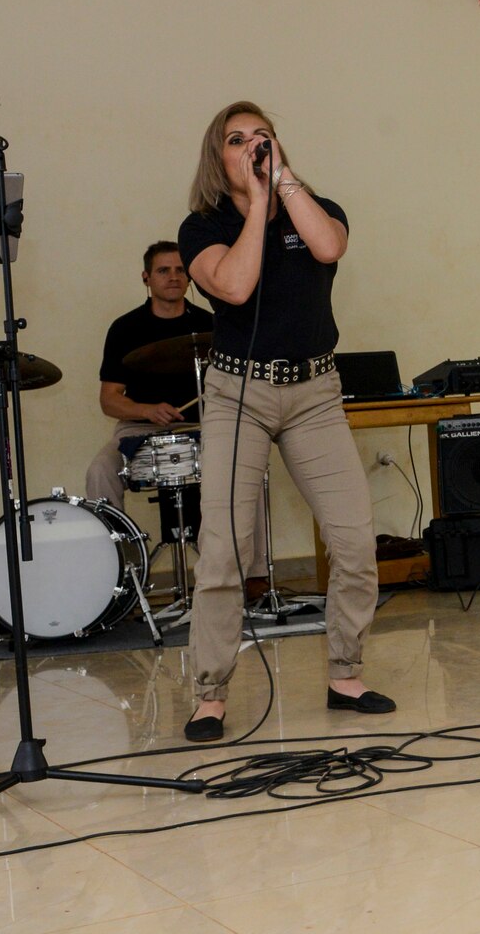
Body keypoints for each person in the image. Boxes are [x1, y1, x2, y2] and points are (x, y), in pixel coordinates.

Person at [176, 101, 389, 742]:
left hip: (315, 391)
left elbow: (331, 245)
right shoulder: (201, 227)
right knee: (224, 550)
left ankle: (345, 673)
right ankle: (209, 694)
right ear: (219, 157)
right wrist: (258, 210)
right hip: (239, 391)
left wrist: (283, 184)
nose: (251, 147)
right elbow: (236, 288)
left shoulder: (313, 207)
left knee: (354, 541)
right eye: (236, 140)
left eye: (262, 138)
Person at [83, 241, 211, 513]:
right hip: (138, 431)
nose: (173, 277)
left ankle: (244, 557)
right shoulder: (125, 329)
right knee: (100, 472)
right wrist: (147, 410)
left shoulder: (210, 325)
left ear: (189, 277)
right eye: (163, 270)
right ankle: (119, 553)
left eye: (180, 270)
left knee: (249, 471)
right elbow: (109, 401)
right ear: (146, 278)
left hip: (202, 429)